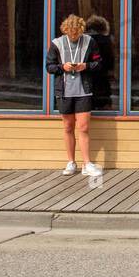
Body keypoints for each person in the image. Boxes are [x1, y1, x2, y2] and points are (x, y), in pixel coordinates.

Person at [46, 14, 103, 177]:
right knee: (68, 127)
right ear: (65, 30)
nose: (73, 36)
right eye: (70, 33)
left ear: (81, 30)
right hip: (64, 91)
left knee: (84, 127)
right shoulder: (57, 43)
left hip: (83, 90)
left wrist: (86, 66)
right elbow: (49, 66)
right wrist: (62, 67)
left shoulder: (90, 42)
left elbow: (99, 64)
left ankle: (87, 164)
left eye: (76, 33)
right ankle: (71, 162)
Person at [85, 15, 115, 113]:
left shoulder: (83, 40)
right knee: (103, 106)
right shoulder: (106, 40)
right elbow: (109, 60)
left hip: (86, 78)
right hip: (102, 77)